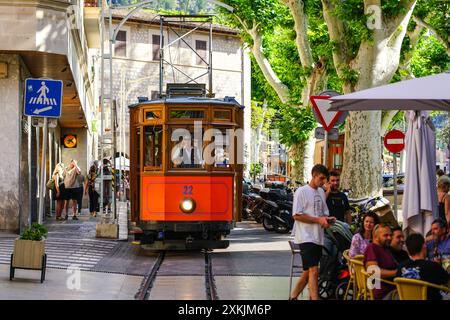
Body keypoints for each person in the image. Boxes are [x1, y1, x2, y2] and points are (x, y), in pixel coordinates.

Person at [289, 164, 336, 300]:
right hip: (305, 236)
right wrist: (318, 220)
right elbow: (296, 215)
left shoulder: (321, 192)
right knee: (314, 270)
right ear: (313, 175)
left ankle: (293, 297)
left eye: (325, 179)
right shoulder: (301, 192)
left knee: (308, 271)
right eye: (321, 178)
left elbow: (320, 214)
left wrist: (327, 219)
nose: (323, 182)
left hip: (318, 236)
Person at [397, 233, 449, 300]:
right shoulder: (432, 266)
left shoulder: (400, 267)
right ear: (424, 246)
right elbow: (447, 282)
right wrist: (439, 267)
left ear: (408, 251)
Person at [364, 223, 398, 300]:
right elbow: (373, 272)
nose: (389, 238)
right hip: (384, 293)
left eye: (390, 235)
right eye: (385, 235)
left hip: (393, 288)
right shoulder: (372, 248)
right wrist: (397, 272)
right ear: (375, 237)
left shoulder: (386, 249)